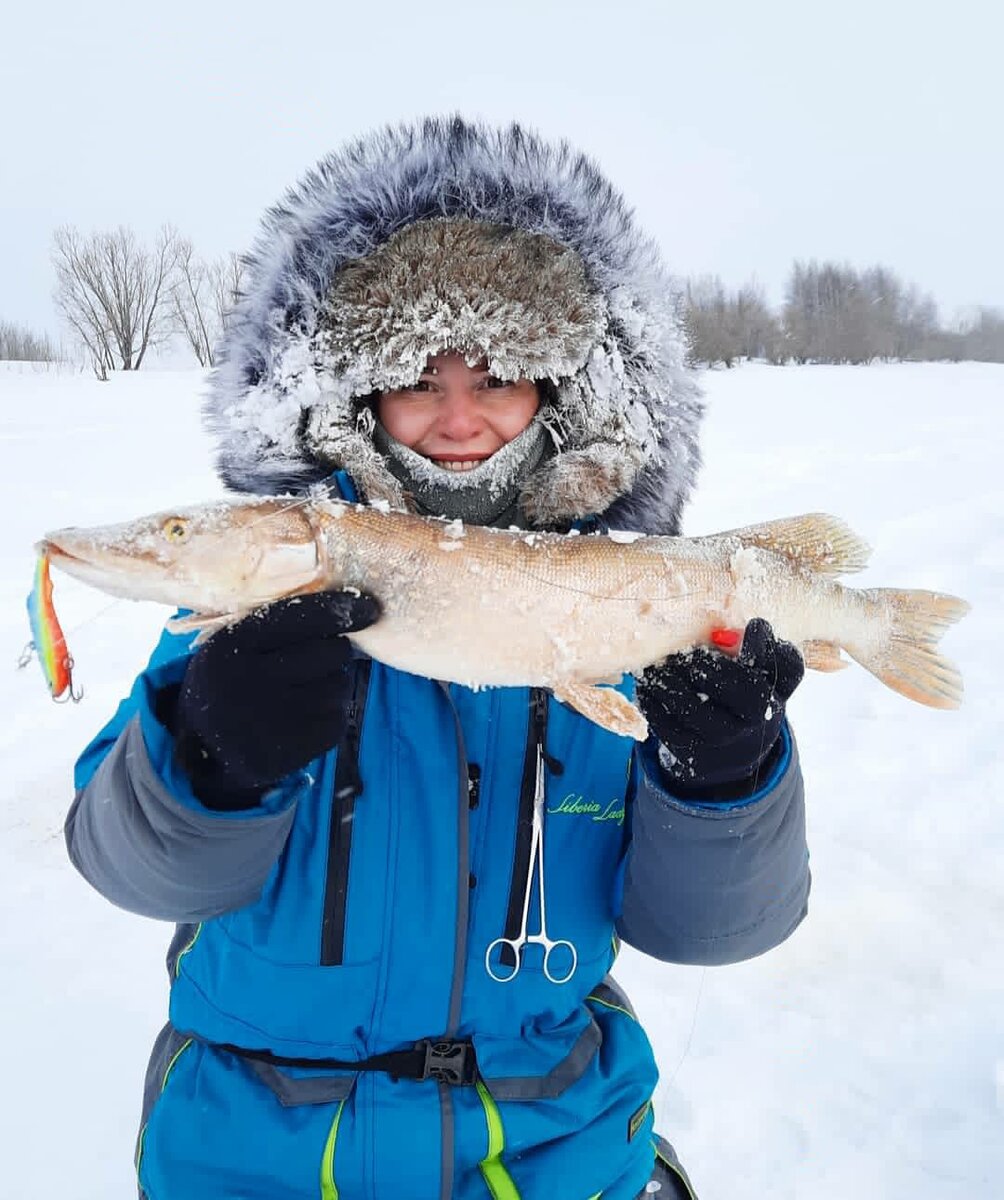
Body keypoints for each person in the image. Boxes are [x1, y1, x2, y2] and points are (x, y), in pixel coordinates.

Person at [66, 117, 810, 1200]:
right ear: (357, 397)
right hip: (257, 1147)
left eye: (498, 376)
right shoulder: (248, 620)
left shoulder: (635, 604)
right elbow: (130, 868)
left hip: (549, 1141)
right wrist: (211, 762)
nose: (457, 419)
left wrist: (725, 781)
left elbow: (712, 933)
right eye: (416, 377)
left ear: (558, 392)